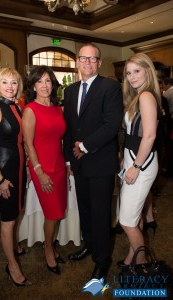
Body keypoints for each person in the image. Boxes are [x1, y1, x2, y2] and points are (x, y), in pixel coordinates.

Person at [63, 43, 123, 280]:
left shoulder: (110, 87)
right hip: (78, 164)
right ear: (77, 62)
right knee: (85, 210)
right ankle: (89, 245)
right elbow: (69, 127)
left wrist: (85, 146)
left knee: (100, 214)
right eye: (83, 58)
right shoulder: (70, 90)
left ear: (99, 62)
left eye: (92, 59)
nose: (87, 63)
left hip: (100, 162)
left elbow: (111, 124)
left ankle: (102, 260)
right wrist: (69, 160)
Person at [0, 67, 31, 286]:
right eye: (5, 82)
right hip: (3, 170)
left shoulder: (17, 107)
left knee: (16, 211)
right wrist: (0, 179)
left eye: (13, 83)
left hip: (18, 166)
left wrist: (27, 168)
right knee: (8, 220)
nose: (10, 87)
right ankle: (12, 266)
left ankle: (14, 246)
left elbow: (20, 141)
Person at [22, 65, 67, 275]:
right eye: (39, 81)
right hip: (42, 167)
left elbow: (60, 139)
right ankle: (48, 248)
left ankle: (50, 244)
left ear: (53, 84)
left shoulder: (58, 108)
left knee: (58, 212)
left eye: (48, 81)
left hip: (58, 165)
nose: (44, 85)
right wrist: (38, 172)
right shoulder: (30, 109)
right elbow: (28, 144)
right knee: (52, 212)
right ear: (33, 85)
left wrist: (66, 165)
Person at [117, 53, 161, 267]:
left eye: (137, 71)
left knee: (126, 221)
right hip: (134, 159)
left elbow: (150, 135)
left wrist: (135, 166)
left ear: (147, 71)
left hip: (140, 164)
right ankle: (130, 257)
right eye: (128, 72)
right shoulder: (139, 95)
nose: (132, 77)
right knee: (134, 216)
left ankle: (142, 265)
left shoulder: (145, 96)